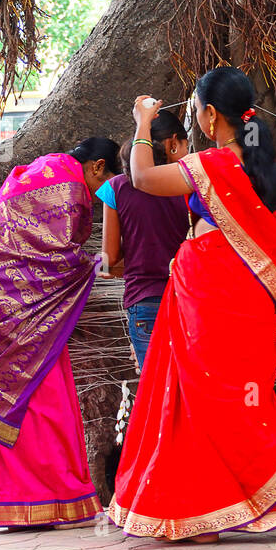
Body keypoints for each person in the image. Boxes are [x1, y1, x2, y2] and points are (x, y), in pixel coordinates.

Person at [108, 67, 276, 544]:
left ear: (210, 116)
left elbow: (143, 177)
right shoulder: (264, 170)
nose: (193, 121)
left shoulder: (214, 165)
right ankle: (204, 513)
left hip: (215, 297)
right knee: (213, 403)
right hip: (240, 297)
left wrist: (143, 121)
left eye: (193, 112)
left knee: (223, 402)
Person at [0, 137, 118, 528]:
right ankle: (41, 499)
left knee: (30, 394)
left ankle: (21, 503)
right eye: (105, 181)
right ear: (97, 167)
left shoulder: (46, 168)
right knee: (39, 397)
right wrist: (93, 266)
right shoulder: (70, 188)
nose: (101, 194)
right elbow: (56, 258)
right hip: (5, 309)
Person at [96, 114, 193, 371]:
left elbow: (109, 259)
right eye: (186, 146)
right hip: (190, 302)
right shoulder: (190, 185)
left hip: (144, 304)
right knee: (190, 394)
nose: (186, 153)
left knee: (157, 395)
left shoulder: (115, 188)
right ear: (173, 144)